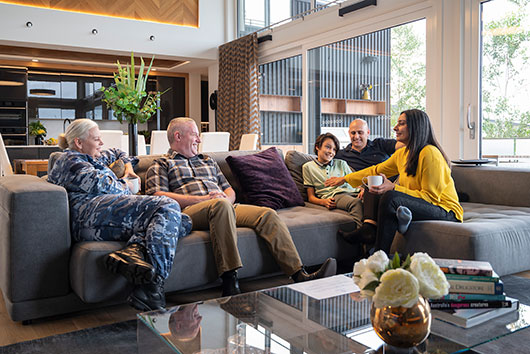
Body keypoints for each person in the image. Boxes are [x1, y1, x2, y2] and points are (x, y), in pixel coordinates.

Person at [145, 117, 337, 297]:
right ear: (178, 136)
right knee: (219, 206)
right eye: (195, 134)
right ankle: (230, 279)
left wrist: (227, 202)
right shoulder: (161, 163)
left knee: (266, 215)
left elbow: (229, 190)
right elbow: (158, 196)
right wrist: (205, 200)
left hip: (224, 207)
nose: (199, 139)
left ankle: (298, 274)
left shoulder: (207, 160)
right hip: (191, 212)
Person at [48, 119, 192, 311]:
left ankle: (133, 251)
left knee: (184, 220)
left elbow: (119, 153)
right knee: (168, 206)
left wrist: (128, 169)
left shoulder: (92, 157)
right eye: (96, 139)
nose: (101, 143)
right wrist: (129, 183)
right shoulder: (70, 162)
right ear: (79, 143)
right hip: (87, 218)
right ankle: (152, 287)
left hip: (105, 213)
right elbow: (115, 189)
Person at [325, 109, 463, 254]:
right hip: (423, 203)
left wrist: (394, 188)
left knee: (391, 197)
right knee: (375, 185)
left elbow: (431, 198)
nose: (395, 128)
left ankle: (380, 255)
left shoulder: (430, 153)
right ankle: (370, 228)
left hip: (445, 210)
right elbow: (375, 170)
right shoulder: (403, 153)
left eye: (401, 124)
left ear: (416, 127)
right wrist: (345, 179)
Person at [334, 119, 404, 244]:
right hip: (366, 189)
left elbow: (404, 144)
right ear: (349, 134)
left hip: (393, 186)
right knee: (371, 184)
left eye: (360, 132)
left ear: (368, 132)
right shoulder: (341, 155)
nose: (356, 137)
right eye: (353, 133)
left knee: (374, 182)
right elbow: (323, 161)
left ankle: (369, 232)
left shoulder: (380, 144)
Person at [302, 132, 362, 228]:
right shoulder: (308, 167)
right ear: (317, 147)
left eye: (334, 149)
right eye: (328, 147)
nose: (331, 152)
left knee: (374, 199)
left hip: (354, 192)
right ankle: (361, 237)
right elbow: (311, 197)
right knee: (355, 203)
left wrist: (363, 189)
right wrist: (324, 202)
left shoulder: (342, 163)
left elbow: (354, 182)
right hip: (336, 195)